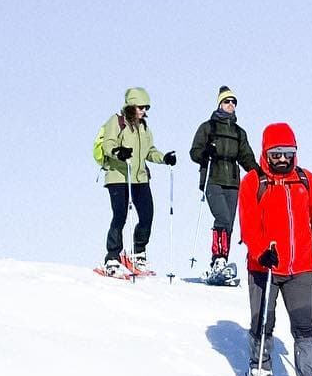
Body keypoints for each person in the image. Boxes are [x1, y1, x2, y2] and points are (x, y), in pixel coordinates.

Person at [237, 122, 312, 376]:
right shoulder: (254, 181)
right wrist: (261, 249)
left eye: (287, 153)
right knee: (263, 321)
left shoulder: (305, 179)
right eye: (275, 153)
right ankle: (260, 369)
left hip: (301, 265)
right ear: (266, 153)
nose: (281, 159)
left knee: (304, 328)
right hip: (264, 265)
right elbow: (249, 222)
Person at [95, 87, 176, 276]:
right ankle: (112, 258)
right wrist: (118, 152)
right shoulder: (117, 121)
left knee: (147, 215)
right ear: (131, 105)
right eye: (141, 107)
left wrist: (164, 158)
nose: (144, 111)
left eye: (146, 107)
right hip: (119, 176)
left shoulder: (144, 127)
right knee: (120, 215)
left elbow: (149, 151)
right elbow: (108, 144)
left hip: (140, 177)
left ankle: (138, 254)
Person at [189, 87, 257, 284]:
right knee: (222, 217)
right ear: (220, 103)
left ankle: (221, 263)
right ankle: (218, 259)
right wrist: (206, 152)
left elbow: (246, 157)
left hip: (233, 183)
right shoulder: (208, 127)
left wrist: (259, 174)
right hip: (213, 179)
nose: (231, 105)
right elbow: (194, 152)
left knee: (229, 223)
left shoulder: (238, 132)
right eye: (227, 101)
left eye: (234, 102)